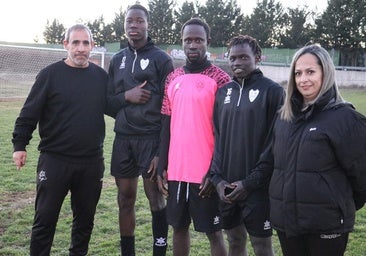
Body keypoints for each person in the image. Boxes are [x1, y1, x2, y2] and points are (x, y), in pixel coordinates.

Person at [243, 44, 366, 256]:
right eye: (298, 73)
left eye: (310, 72)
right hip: (287, 223)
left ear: (325, 73)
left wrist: (338, 205)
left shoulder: (346, 119)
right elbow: (271, 161)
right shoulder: (284, 117)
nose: (303, 79)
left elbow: (361, 177)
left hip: (326, 225)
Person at [12, 24, 108, 256]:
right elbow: (29, 112)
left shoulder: (101, 77)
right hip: (55, 161)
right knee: (44, 220)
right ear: (65, 45)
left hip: (90, 162)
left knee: (84, 223)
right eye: (75, 42)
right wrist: (19, 145)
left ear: (92, 46)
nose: (81, 48)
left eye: (86, 43)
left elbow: (116, 106)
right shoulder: (49, 75)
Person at [157, 17, 231, 256]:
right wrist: (162, 165)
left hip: (206, 173)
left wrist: (215, 170)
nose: (193, 45)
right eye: (188, 40)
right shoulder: (172, 78)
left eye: (198, 40)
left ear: (208, 42)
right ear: (182, 42)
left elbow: (225, 131)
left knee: (214, 232)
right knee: (178, 228)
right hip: (177, 171)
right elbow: (166, 123)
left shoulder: (221, 80)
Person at [106, 4, 174, 256]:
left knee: (155, 198)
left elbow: (171, 107)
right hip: (123, 140)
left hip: (150, 140)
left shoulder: (161, 59)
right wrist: (128, 96)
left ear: (147, 25)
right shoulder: (117, 59)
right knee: (125, 199)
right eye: (129, 21)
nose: (133, 25)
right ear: (124, 25)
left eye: (138, 21)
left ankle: (159, 251)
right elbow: (107, 102)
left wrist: (160, 151)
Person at [210, 35, 284, 256]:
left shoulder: (273, 91)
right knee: (234, 240)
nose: (236, 63)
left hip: (258, 188)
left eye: (243, 57)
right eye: (232, 58)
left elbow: (275, 144)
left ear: (257, 58)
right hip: (228, 187)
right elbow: (218, 138)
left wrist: (249, 183)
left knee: (261, 246)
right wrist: (218, 180)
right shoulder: (223, 93)